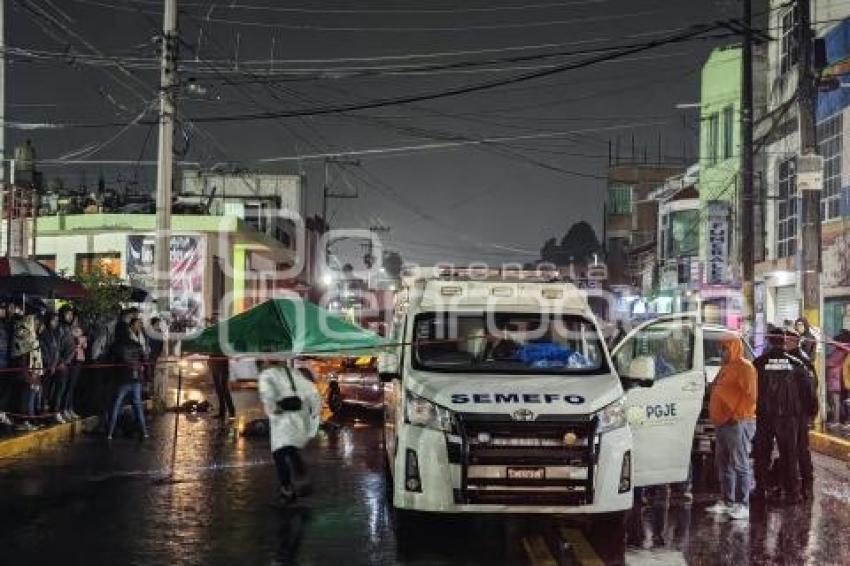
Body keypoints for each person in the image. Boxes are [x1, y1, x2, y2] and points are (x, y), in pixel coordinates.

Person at [752, 328, 810, 503]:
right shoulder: (796, 364)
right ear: (784, 340)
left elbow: (752, 390)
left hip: (764, 415)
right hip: (788, 416)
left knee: (762, 453)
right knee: (789, 453)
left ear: (769, 340)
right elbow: (807, 392)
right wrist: (809, 412)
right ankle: (792, 492)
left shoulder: (759, 363)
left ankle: (760, 489)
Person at [705, 336, 757, 520]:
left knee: (740, 464)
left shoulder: (745, 368)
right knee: (724, 463)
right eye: (721, 349)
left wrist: (736, 415)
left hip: (737, 422)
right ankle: (728, 501)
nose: (722, 352)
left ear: (734, 348)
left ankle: (743, 504)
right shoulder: (726, 368)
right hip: (724, 423)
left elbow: (750, 396)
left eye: (725, 348)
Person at [258, 357, 321, 506]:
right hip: (299, 417)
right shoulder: (294, 373)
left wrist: (272, 409)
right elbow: (312, 391)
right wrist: (315, 411)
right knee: (290, 449)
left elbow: (268, 398)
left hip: (282, 419)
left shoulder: (267, 375)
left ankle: (287, 489)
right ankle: (302, 479)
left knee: (279, 454)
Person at [785, 329, 818, 499]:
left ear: (794, 342)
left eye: (787, 341)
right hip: (789, 413)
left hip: (799, 413)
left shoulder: (802, 362)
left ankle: (806, 483)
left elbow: (811, 389)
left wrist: (811, 412)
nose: (784, 343)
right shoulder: (786, 360)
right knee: (793, 448)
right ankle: (796, 483)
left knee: (800, 449)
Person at [106, 317, 148, 440]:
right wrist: (146, 377)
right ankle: (144, 432)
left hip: (123, 379)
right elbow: (144, 360)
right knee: (137, 406)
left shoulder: (116, 346)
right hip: (136, 379)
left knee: (116, 405)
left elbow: (110, 361)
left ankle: (110, 433)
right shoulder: (137, 344)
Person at [57, 305, 84, 421]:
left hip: (72, 360)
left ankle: (68, 408)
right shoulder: (61, 328)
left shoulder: (69, 328)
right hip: (64, 362)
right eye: (68, 314)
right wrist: (61, 361)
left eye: (71, 314)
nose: (70, 316)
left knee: (70, 387)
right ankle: (60, 410)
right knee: (62, 388)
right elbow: (59, 346)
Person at [826, 331, 850, 424]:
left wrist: (825, 361)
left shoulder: (841, 351)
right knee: (835, 401)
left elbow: (831, 362)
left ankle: (837, 420)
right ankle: (839, 420)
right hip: (837, 379)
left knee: (835, 401)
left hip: (836, 379)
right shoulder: (841, 350)